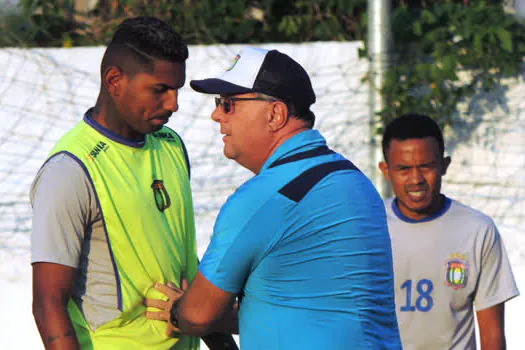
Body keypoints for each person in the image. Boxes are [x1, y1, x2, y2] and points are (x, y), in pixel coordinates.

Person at [145, 46, 402, 349]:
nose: (216, 115)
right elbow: (311, 308)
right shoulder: (354, 181)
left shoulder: (264, 198)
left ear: (275, 114)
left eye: (228, 104)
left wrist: (177, 312)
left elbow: (198, 314)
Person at [30, 16, 235, 350]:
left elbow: (185, 264)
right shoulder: (70, 170)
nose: (174, 104)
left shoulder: (171, 145)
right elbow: (47, 305)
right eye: (160, 90)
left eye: (176, 90)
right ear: (114, 80)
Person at [378, 113, 520, 350]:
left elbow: (493, 334)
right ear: (386, 170)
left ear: (444, 165)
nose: (416, 179)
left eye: (426, 166)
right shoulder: (367, 228)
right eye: (403, 168)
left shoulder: (476, 229)